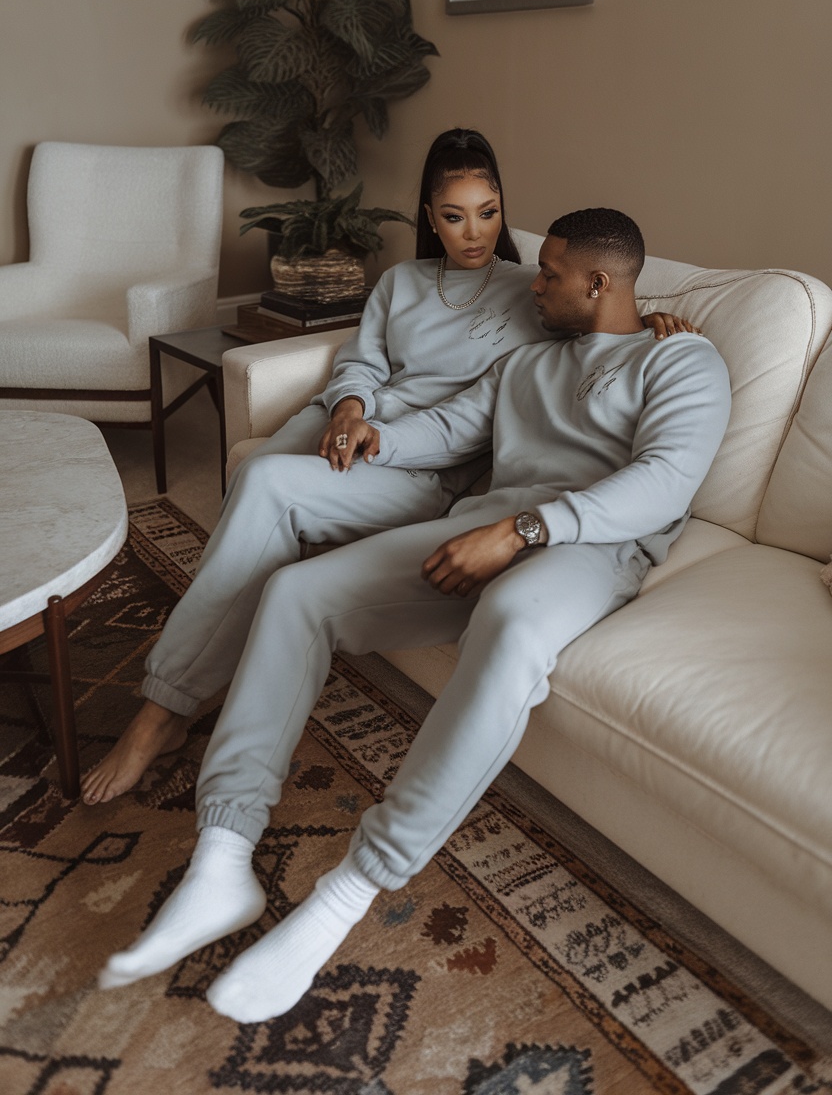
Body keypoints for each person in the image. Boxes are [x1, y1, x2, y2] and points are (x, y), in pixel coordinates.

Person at [98, 208, 731, 1025]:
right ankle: (224, 853)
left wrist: (524, 530)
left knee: (509, 620)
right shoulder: (528, 365)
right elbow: (446, 428)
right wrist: (371, 437)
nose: (532, 285)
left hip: (591, 548)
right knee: (300, 593)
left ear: (599, 283)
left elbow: (665, 482)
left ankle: (346, 894)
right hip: (483, 528)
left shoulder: (681, 359)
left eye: (550, 275)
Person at [81, 132, 692, 805]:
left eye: (489, 211)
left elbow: (601, 322)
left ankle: (162, 709)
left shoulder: (537, 291)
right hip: (358, 428)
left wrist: (656, 322)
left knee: (263, 488)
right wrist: (348, 406)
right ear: (429, 216)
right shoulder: (401, 281)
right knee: (259, 491)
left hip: (428, 461)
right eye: (455, 215)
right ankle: (223, 668)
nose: (475, 232)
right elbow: (364, 360)